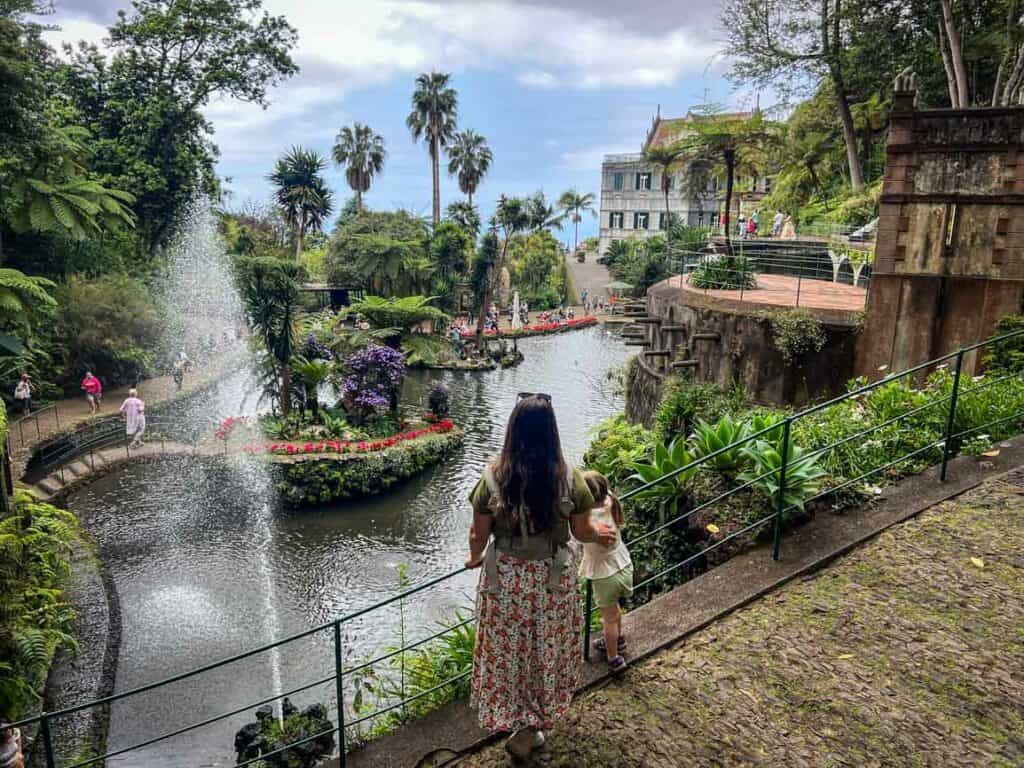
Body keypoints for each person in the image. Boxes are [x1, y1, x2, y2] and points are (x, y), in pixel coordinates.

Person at [465, 394, 616, 760]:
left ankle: (517, 722)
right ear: (552, 432)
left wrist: (474, 557)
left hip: (505, 581)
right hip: (552, 580)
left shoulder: (492, 477)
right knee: (545, 649)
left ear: (513, 429)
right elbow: (581, 532)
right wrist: (599, 534)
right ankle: (532, 726)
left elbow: (478, 534)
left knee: (509, 651)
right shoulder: (569, 479)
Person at [580, 471, 633, 672]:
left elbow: (577, 533)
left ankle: (614, 657)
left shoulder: (588, 520)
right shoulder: (611, 501)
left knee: (608, 619)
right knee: (614, 610)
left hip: (605, 575)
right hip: (623, 565)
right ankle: (618, 638)